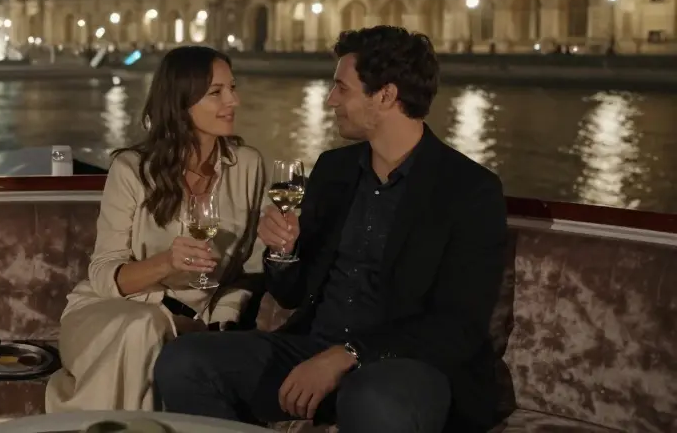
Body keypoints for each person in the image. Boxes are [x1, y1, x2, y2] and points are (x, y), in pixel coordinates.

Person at [154, 26, 509, 433]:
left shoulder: (469, 189)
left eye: (341, 88)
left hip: (404, 366)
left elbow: (458, 327)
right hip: (311, 347)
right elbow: (291, 293)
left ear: (385, 95)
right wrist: (283, 252)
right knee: (184, 361)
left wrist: (348, 354)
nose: (329, 100)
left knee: (374, 399)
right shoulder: (334, 170)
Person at [45, 45, 270, 412]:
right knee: (144, 327)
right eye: (216, 92)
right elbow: (103, 275)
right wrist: (166, 263)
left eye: (232, 88)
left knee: (150, 331)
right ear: (181, 102)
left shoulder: (248, 166)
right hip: (107, 314)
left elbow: (250, 269)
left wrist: (219, 322)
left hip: (186, 324)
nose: (234, 101)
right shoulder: (132, 169)